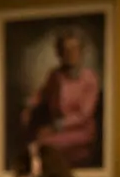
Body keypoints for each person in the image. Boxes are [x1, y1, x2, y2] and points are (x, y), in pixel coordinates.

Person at [19, 25, 101, 169]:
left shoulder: (90, 79)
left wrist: (57, 126)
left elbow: (84, 115)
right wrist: (29, 107)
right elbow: (41, 95)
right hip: (57, 129)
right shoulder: (55, 76)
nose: (70, 55)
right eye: (65, 51)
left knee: (43, 147)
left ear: (81, 52)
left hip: (80, 131)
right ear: (59, 53)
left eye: (74, 50)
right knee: (34, 142)